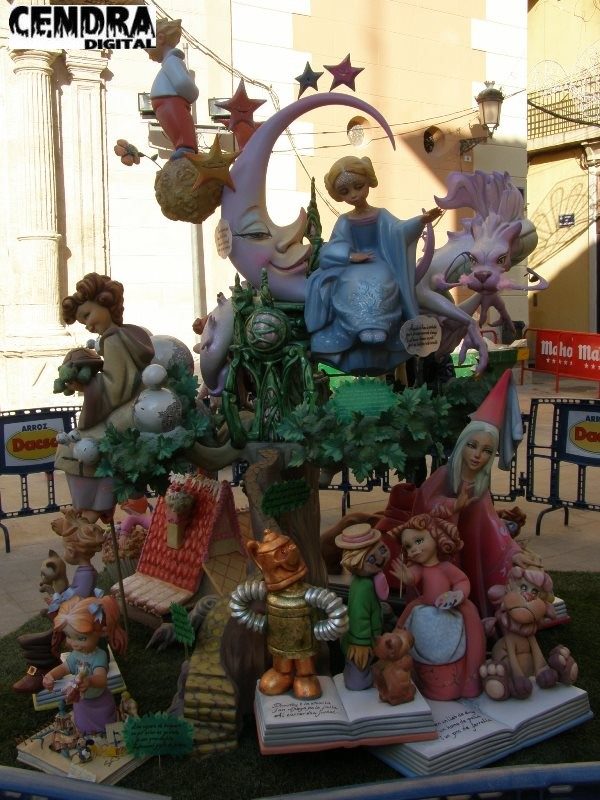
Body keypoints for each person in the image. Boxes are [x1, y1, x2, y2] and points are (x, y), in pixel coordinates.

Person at [412, 369, 541, 618]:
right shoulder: (445, 475)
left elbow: (491, 525)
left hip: (469, 550)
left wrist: (513, 551)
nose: (477, 455)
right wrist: (453, 505)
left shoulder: (480, 487)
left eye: (486, 450)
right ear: (463, 443)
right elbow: (424, 505)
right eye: (472, 446)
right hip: (443, 552)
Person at [304, 156, 442, 375]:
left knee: (384, 281)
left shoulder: (381, 215)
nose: (354, 195)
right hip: (352, 267)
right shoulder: (345, 220)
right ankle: (358, 327)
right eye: (345, 192)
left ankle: (380, 326)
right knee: (351, 283)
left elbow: (399, 231)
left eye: (358, 187)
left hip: (379, 263)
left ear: (368, 182)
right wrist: (350, 256)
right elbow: (331, 247)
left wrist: (421, 220)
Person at [56, 273, 154, 523]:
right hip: (136, 404)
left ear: (104, 302)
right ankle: (96, 506)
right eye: (83, 322)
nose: (88, 325)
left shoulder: (113, 340)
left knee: (74, 447)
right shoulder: (123, 334)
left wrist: (86, 384)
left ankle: (93, 507)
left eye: (87, 316)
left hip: (131, 409)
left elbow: (117, 387)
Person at [390, 513, 486, 701]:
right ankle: (420, 678)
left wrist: (457, 594)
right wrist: (408, 578)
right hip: (426, 608)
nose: (414, 549)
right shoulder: (420, 568)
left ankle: (465, 682)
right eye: (408, 546)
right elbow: (413, 577)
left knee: (469, 634)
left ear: (436, 536)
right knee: (409, 631)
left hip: (450, 607)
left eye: (419, 541)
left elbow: (462, 580)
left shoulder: (445, 567)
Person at [42, 595, 127, 736]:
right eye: (69, 636)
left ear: (101, 632)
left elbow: (102, 679)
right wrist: (51, 675)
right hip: (82, 701)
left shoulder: (99, 656)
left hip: (100, 701)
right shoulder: (75, 654)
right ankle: (85, 733)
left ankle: (104, 735)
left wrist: (90, 681)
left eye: (81, 638)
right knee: (82, 724)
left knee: (105, 723)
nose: (74, 643)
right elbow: (64, 668)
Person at [335, 523, 391, 691]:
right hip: (361, 643)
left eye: (382, 550)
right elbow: (359, 617)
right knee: (357, 682)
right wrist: (361, 644)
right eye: (371, 559)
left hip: (372, 637)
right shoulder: (363, 586)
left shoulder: (371, 580)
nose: (380, 559)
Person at [148, 18, 199, 159]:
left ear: (160, 38)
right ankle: (181, 147)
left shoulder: (172, 61)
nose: (148, 53)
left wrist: (191, 92)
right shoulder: (168, 62)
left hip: (172, 103)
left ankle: (185, 147)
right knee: (175, 128)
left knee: (179, 125)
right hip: (166, 104)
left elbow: (182, 82)